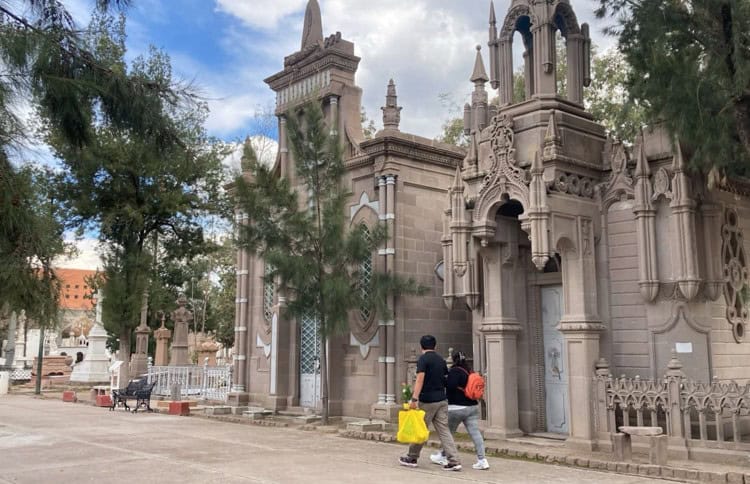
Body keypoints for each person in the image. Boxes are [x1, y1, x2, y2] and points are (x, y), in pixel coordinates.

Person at [399, 335, 462, 471]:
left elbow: (420, 379)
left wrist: (414, 399)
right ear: (435, 346)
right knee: (444, 431)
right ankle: (454, 460)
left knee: (420, 428)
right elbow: (446, 378)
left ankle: (412, 457)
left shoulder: (423, 359)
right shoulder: (441, 360)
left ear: (421, 346)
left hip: (427, 400)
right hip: (442, 400)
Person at [430, 350, 489, 470]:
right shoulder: (470, 371)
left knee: (448, 433)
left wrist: (444, 381)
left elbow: (451, 386)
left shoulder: (455, 371)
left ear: (453, 359)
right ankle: (482, 460)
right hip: (472, 407)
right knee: (475, 434)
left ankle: (443, 456)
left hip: (456, 407)